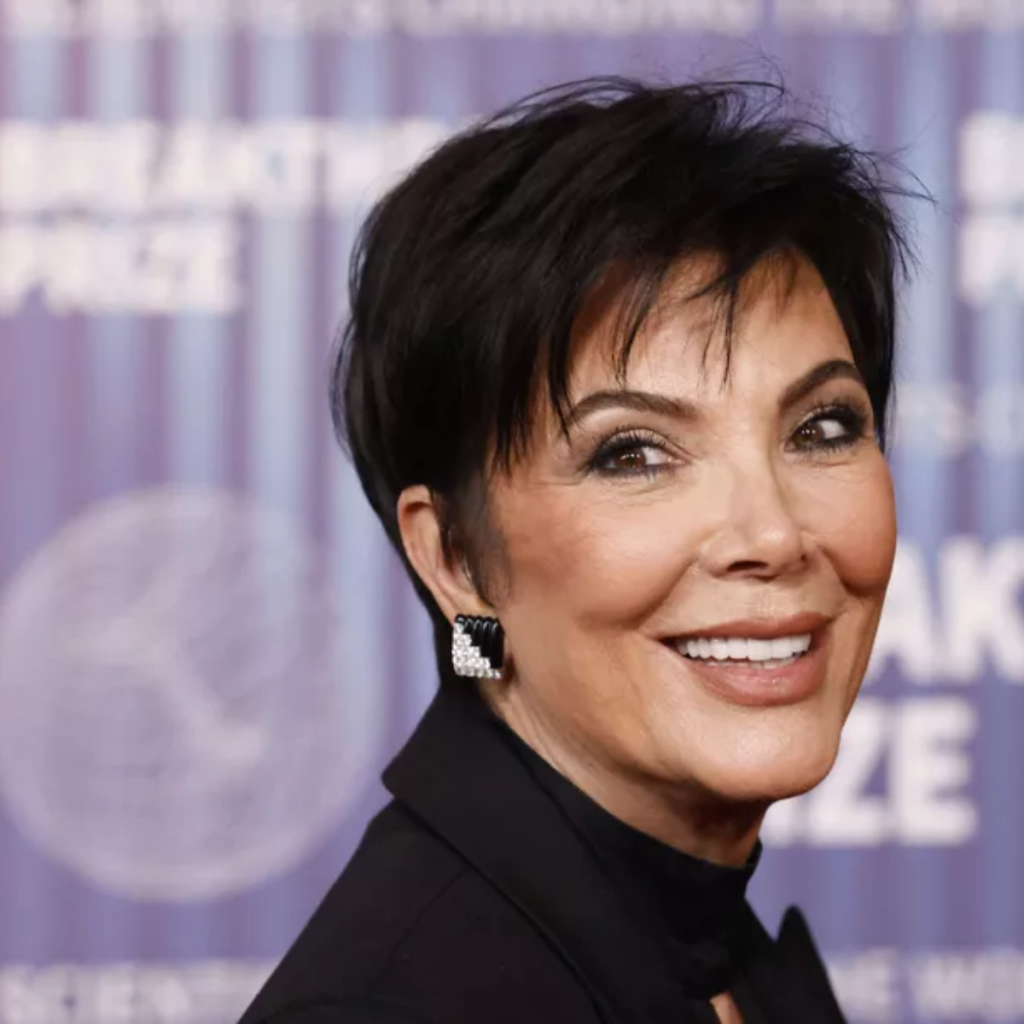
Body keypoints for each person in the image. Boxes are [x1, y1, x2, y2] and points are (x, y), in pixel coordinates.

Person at [238, 77, 914, 1024]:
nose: (771, 534)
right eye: (634, 453)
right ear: (457, 560)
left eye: (821, 428)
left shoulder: (712, 939)